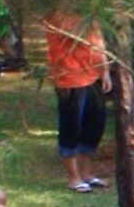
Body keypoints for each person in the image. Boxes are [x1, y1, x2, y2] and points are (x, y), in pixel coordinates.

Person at [44, 10, 110, 190]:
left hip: (93, 73)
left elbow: (98, 38)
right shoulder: (58, 12)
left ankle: (86, 173)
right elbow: (76, 37)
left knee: (95, 125)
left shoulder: (90, 7)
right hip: (70, 76)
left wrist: (105, 70)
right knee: (71, 125)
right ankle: (74, 178)